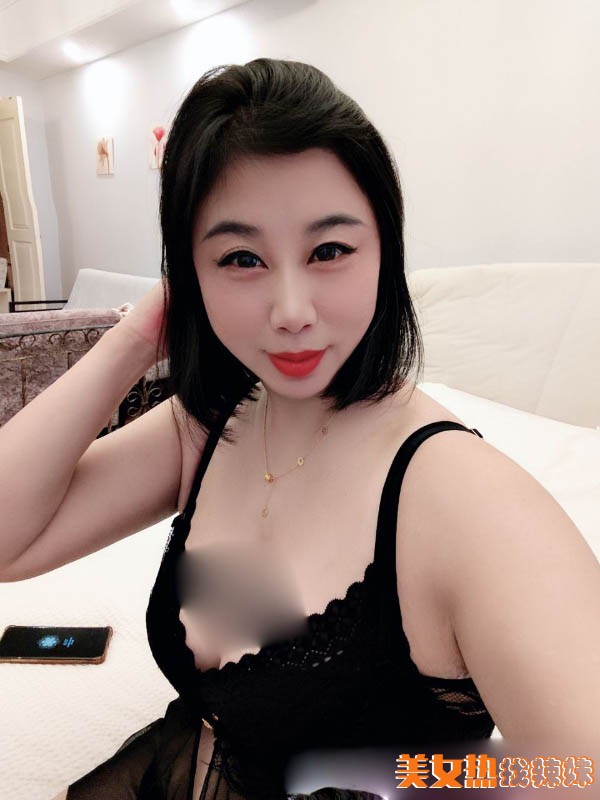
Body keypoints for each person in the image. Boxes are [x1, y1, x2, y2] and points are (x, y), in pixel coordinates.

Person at [0, 58, 598, 800]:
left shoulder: (464, 502)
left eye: (329, 251)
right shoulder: (211, 425)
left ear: (386, 250)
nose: (291, 311)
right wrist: (133, 340)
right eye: (241, 258)